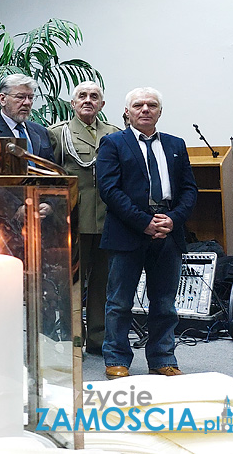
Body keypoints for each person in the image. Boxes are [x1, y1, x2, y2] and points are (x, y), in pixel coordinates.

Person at [96, 87, 197, 379]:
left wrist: (173, 219)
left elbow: (189, 189)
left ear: (160, 112)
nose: (145, 109)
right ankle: (116, 359)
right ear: (127, 112)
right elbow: (109, 190)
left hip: (168, 231)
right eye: (138, 105)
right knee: (119, 302)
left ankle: (162, 358)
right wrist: (144, 222)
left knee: (165, 302)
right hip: (128, 231)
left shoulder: (176, 144)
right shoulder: (113, 143)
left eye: (151, 105)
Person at [47, 81, 120, 354]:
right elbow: (50, 176)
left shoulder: (113, 133)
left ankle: (98, 340)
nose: (88, 100)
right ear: (73, 103)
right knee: (72, 285)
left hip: (107, 220)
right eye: (82, 96)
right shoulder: (58, 134)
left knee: (102, 283)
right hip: (73, 219)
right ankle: (72, 336)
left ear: (102, 104)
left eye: (94, 96)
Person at [0, 73, 55, 161]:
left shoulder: (41, 131)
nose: (27, 103)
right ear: (3, 99)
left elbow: (52, 170)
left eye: (30, 97)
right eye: (20, 97)